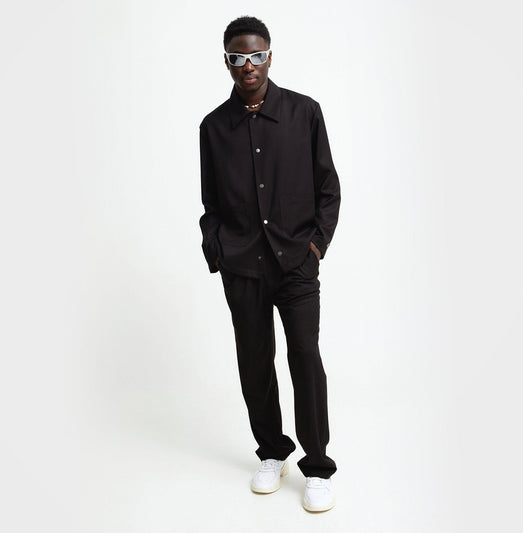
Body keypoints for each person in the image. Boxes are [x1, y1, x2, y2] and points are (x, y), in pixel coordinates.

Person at [199, 16, 341, 512]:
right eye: (238, 57)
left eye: (256, 55)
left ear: (270, 56)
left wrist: (315, 246)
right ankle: (272, 452)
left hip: (296, 263)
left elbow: (328, 188)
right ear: (227, 62)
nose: (249, 65)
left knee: (305, 358)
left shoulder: (305, 113)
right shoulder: (213, 128)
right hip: (243, 268)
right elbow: (211, 203)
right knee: (255, 362)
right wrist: (218, 249)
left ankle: (317, 466)